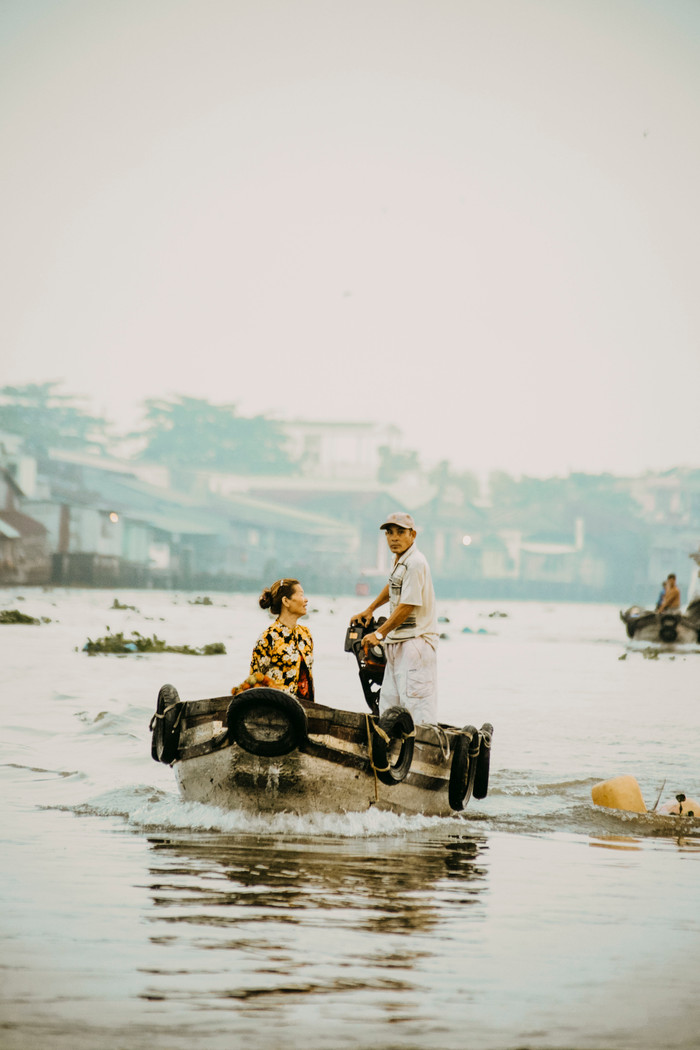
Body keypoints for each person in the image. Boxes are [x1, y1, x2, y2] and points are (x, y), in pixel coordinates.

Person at [351, 512, 438, 724]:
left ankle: (420, 753)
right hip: (398, 641)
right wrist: (370, 609)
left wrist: (379, 633)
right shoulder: (399, 560)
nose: (394, 538)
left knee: (416, 709)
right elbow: (393, 585)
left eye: (400, 532)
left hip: (416, 643)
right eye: (389, 533)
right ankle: (392, 752)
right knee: (390, 704)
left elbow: (408, 605)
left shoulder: (416, 562)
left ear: (413, 535)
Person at [250, 578, 315, 700]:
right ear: (286, 601)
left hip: (304, 710)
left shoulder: (305, 634)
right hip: (277, 710)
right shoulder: (268, 638)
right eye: (301, 595)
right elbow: (254, 682)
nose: (306, 600)